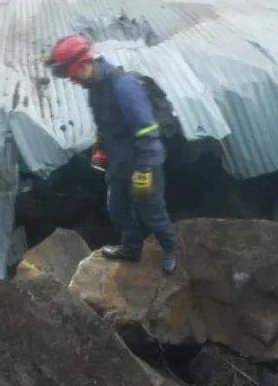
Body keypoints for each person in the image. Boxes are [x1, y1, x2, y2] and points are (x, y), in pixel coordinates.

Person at [45, 35, 178, 275]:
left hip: (142, 163)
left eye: (72, 75)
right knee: (118, 209)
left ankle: (170, 250)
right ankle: (131, 248)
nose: (72, 81)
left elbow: (148, 132)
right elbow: (106, 125)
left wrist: (145, 170)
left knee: (152, 213)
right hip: (118, 162)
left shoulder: (124, 87)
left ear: (84, 64)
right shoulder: (95, 89)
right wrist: (100, 148)